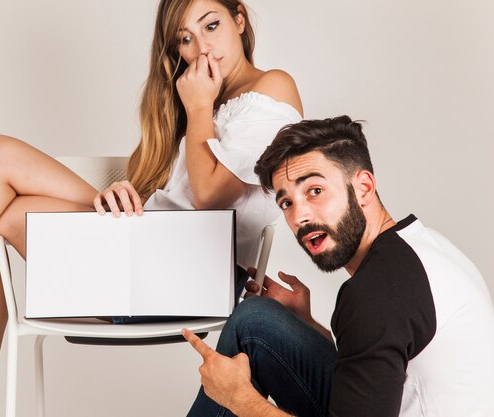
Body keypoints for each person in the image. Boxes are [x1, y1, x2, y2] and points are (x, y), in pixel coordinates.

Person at [0, 0, 304, 415]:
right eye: (184, 40)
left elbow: (210, 196)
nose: (202, 48)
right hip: (155, 250)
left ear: (240, 20)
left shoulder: (271, 86)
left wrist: (197, 107)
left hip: (189, 274)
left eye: (212, 26)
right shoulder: (205, 99)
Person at [183, 115, 494, 417]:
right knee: (255, 321)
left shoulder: (376, 293)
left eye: (314, 191)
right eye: (287, 203)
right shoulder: (421, 245)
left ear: (363, 187)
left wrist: (241, 400)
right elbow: (376, 369)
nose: (299, 216)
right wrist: (309, 326)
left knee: (248, 335)